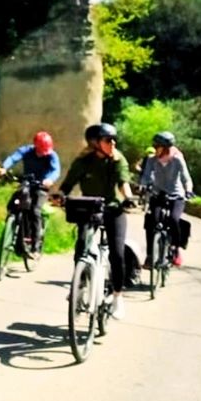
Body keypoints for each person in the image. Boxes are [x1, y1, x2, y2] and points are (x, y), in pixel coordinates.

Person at [53, 123, 136, 318]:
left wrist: (129, 198)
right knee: (82, 245)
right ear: (95, 143)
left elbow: (123, 183)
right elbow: (67, 184)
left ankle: (117, 297)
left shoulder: (117, 160)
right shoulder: (83, 162)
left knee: (117, 253)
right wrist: (59, 196)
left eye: (114, 139)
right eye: (108, 140)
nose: (113, 143)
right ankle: (79, 285)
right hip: (89, 209)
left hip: (113, 210)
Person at [0, 131, 61, 248]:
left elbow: (56, 170)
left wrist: (49, 179)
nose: (42, 154)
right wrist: (4, 168)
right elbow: (13, 158)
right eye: (40, 150)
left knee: (35, 210)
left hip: (41, 186)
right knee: (15, 203)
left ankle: (35, 242)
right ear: (35, 146)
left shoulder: (52, 156)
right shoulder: (26, 150)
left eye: (45, 151)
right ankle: (12, 228)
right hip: (27, 182)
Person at [139, 131, 195, 268]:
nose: (154, 148)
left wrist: (188, 190)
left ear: (165, 148)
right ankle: (150, 255)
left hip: (176, 195)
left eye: (157, 146)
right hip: (158, 194)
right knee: (152, 221)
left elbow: (186, 178)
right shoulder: (152, 160)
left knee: (174, 219)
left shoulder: (177, 159)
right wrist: (143, 186)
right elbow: (146, 176)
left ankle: (175, 249)